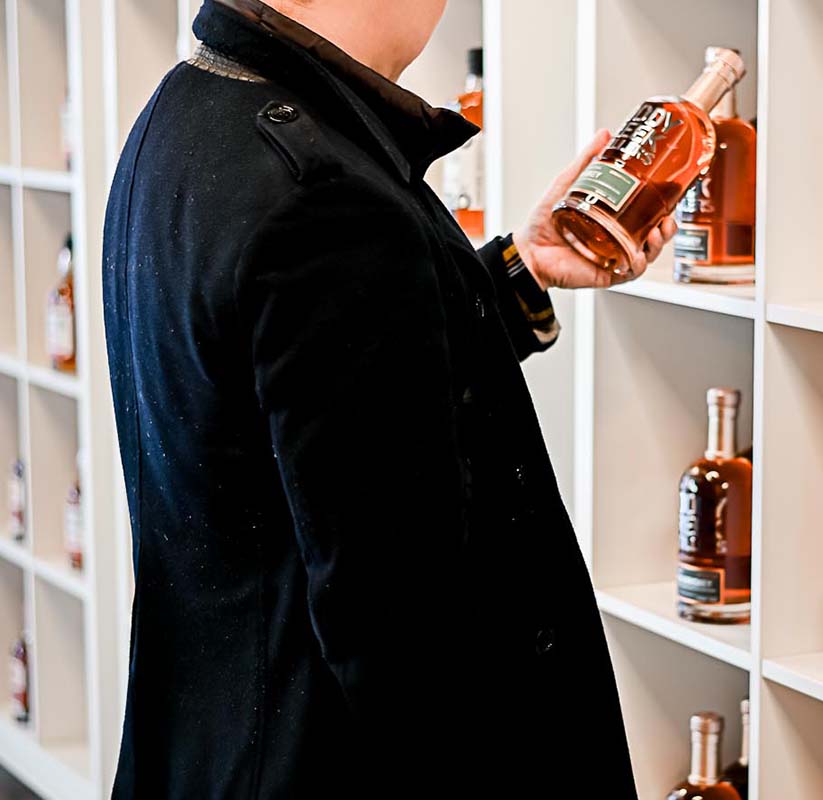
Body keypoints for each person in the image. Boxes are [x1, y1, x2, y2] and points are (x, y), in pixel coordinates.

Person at [102, 0, 675, 795]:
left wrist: (522, 268)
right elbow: (401, 643)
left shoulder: (189, 110)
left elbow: (316, 389)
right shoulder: (326, 198)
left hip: (216, 743)